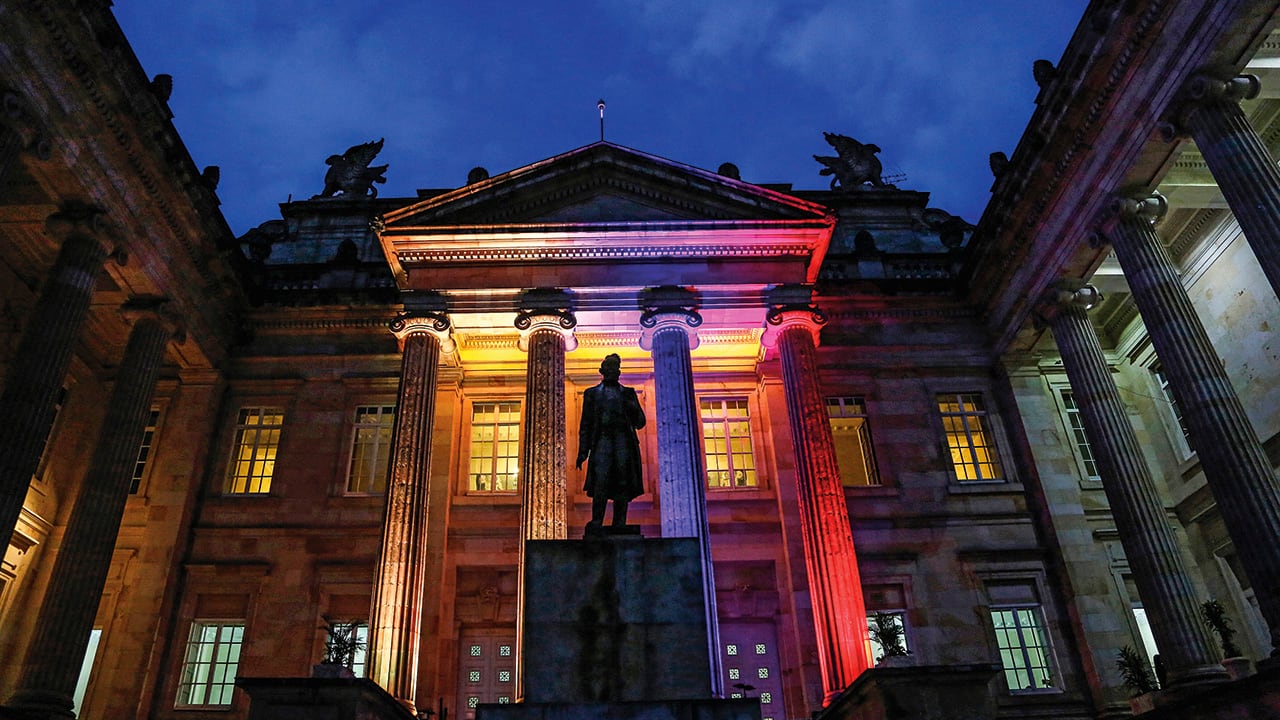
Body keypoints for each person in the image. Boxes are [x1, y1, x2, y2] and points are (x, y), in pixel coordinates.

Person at [576, 354, 646, 527]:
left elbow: (640, 422)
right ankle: (597, 520)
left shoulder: (628, 394)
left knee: (622, 482)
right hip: (602, 441)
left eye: (614, 368)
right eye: (608, 368)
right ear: (602, 371)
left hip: (623, 442)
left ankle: (619, 522)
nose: (611, 371)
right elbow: (586, 424)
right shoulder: (591, 394)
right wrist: (583, 451)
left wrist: (632, 406)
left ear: (619, 372)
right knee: (601, 481)